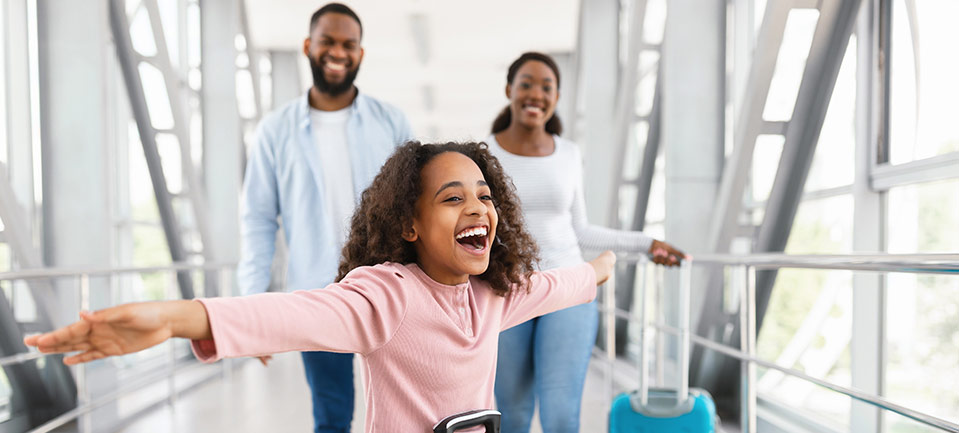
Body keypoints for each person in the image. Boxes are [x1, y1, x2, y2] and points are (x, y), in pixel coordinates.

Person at [24, 141, 617, 432]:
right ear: (409, 225)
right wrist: (176, 319)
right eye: (453, 198)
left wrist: (601, 266)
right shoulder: (387, 296)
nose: (478, 208)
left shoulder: (492, 294)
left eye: (485, 196)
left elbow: (560, 284)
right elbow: (290, 314)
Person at [487, 52, 686, 433]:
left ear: (557, 97)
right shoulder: (484, 153)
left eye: (547, 87)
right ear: (509, 90)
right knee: (511, 415)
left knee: (561, 416)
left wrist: (647, 244)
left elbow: (581, 230)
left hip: (569, 290)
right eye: (526, 83)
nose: (535, 94)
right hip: (506, 292)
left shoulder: (569, 153)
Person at [239, 3, 412, 432]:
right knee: (332, 416)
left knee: (404, 412)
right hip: (317, 293)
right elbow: (259, 219)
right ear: (308, 47)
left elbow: (418, 207)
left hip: (391, 289)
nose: (338, 52)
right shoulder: (275, 131)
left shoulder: (391, 122)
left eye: (348, 44)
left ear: (360, 53)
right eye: (328, 42)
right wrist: (250, 305)